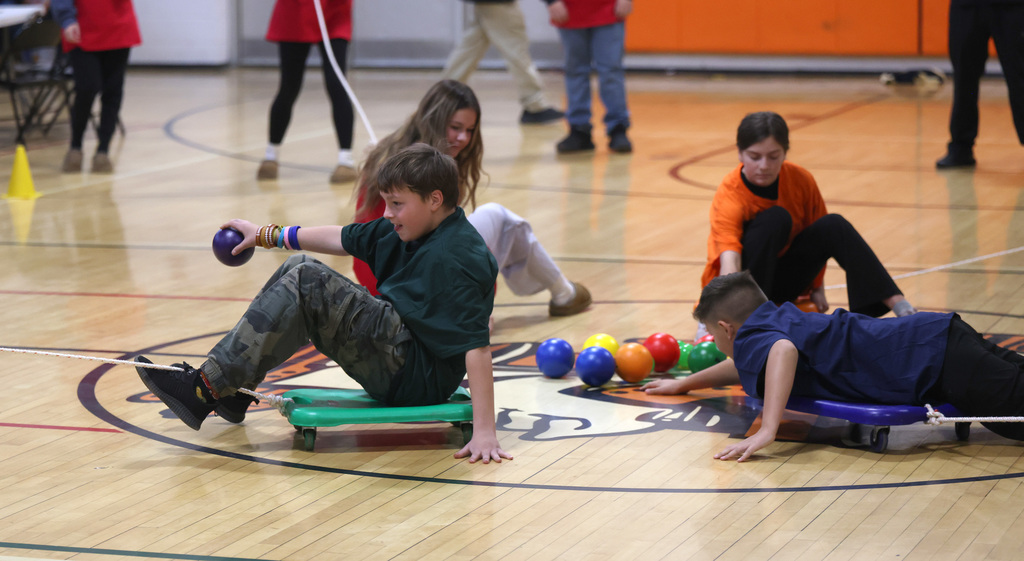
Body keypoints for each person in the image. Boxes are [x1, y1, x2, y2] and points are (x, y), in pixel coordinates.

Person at [136, 144, 512, 464]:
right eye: (385, 203)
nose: (386, 213)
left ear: (435, 200)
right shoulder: (408, 227)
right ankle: (233, 393)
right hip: (399, 346)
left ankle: (204, 389)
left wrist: (485, 433)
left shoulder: (460, 256)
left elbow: (476, 347)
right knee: (298, 266)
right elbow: (341, 237)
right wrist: (266, 235)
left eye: (396, 204)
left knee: (307, 281)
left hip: (416, 376)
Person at [645, 271, 1024, 462]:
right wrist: (685, 384)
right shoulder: (775, 317)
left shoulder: (758, 336)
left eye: (714, 335)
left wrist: (767, 430)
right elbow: (750, 365)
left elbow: (781, 353)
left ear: (727, 328)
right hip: (937, 336)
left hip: (934, 361)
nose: (719, 344)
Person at [352, 79, 592, 318]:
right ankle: (564, 293)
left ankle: (564, 293)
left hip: (397, 290)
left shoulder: (400, 154)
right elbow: (384, 245)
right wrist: (478, 307)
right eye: (455, 127)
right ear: (434, 121)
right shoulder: (418, 167)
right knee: (497, 216)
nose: (464, 138)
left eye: (469, 130)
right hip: (403, 295)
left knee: (493, 222)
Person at [697, 111, 916, 339]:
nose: (764, 165)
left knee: (834, 224)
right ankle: (751, 313)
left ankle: (891, 305)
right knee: (776, 218)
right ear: (740, 153)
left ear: (785, 153)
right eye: (755, 157)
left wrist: (817, 287)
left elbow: (818, 233)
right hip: (744, 287)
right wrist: (723, 315)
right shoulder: (729, 194)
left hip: (783, 280)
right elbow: (729, 259)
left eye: (774, 156)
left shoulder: (801, 179)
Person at [256, 0, 357, 184]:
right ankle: (271, 155)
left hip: (333, 12)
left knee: (336, 83)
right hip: (295, 12)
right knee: (289, 86)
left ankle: (346, 159)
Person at [52, 0, 140, 174]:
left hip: (118, 26)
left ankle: (103, 151)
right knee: (86, 88)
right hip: (82, 27)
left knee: (112, 90)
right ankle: (75, 147)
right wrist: (67, 19)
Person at [443, 0, 563, 125]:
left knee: (468, 50)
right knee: (516, 50)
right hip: (501, 4)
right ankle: (534, 104)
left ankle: (442, 96)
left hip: (484, 4)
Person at [936, 0, 1024, 168]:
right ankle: (961, 147)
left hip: (1012, 7)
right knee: (964, 78)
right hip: (967, 6)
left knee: (1019, 77)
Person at [544, 0, 632, 154]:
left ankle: (618, 128)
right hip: (569, 11)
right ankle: (579, 129)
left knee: (611, 71)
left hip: (609, 9)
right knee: (575, 71)